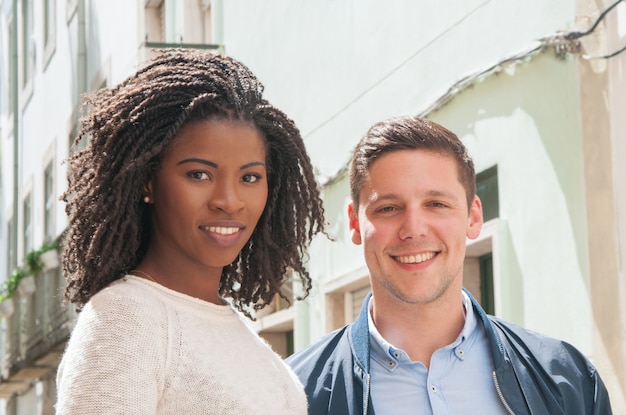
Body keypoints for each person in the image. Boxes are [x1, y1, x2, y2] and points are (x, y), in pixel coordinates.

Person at [56, 49, 325, 414]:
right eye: (199, 174)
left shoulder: (234, 328)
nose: (229, 201)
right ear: (148, 181)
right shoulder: (126, 319)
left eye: (249, 177)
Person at [286, 115, 612, 414]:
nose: (413, 229)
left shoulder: (567, 379)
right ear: (355, 225)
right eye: (388, 208)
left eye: (436, 204)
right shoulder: (291, 396)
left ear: (473, 216)